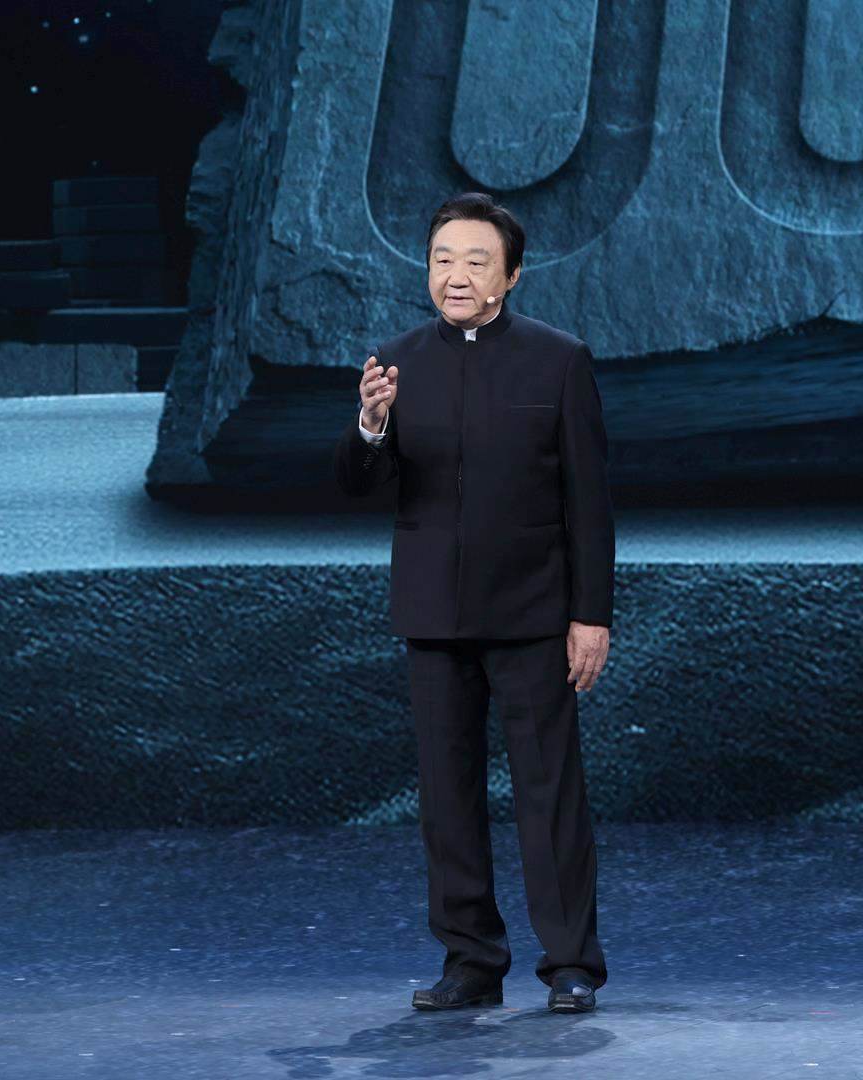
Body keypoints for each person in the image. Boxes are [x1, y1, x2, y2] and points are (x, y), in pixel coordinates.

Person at [332, 192, 615, 1014]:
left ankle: (570, 963)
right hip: (434, 615)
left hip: (533, 613)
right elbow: (354, 485)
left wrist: (590, 615)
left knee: (548, 793)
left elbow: (589, 502)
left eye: (475, 261)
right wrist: (370, 424)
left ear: (512, 275)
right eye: (442, 260)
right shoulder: (395, 363)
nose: (455, 276)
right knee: (446, 797)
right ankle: (470, 961)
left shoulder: (558, 361)